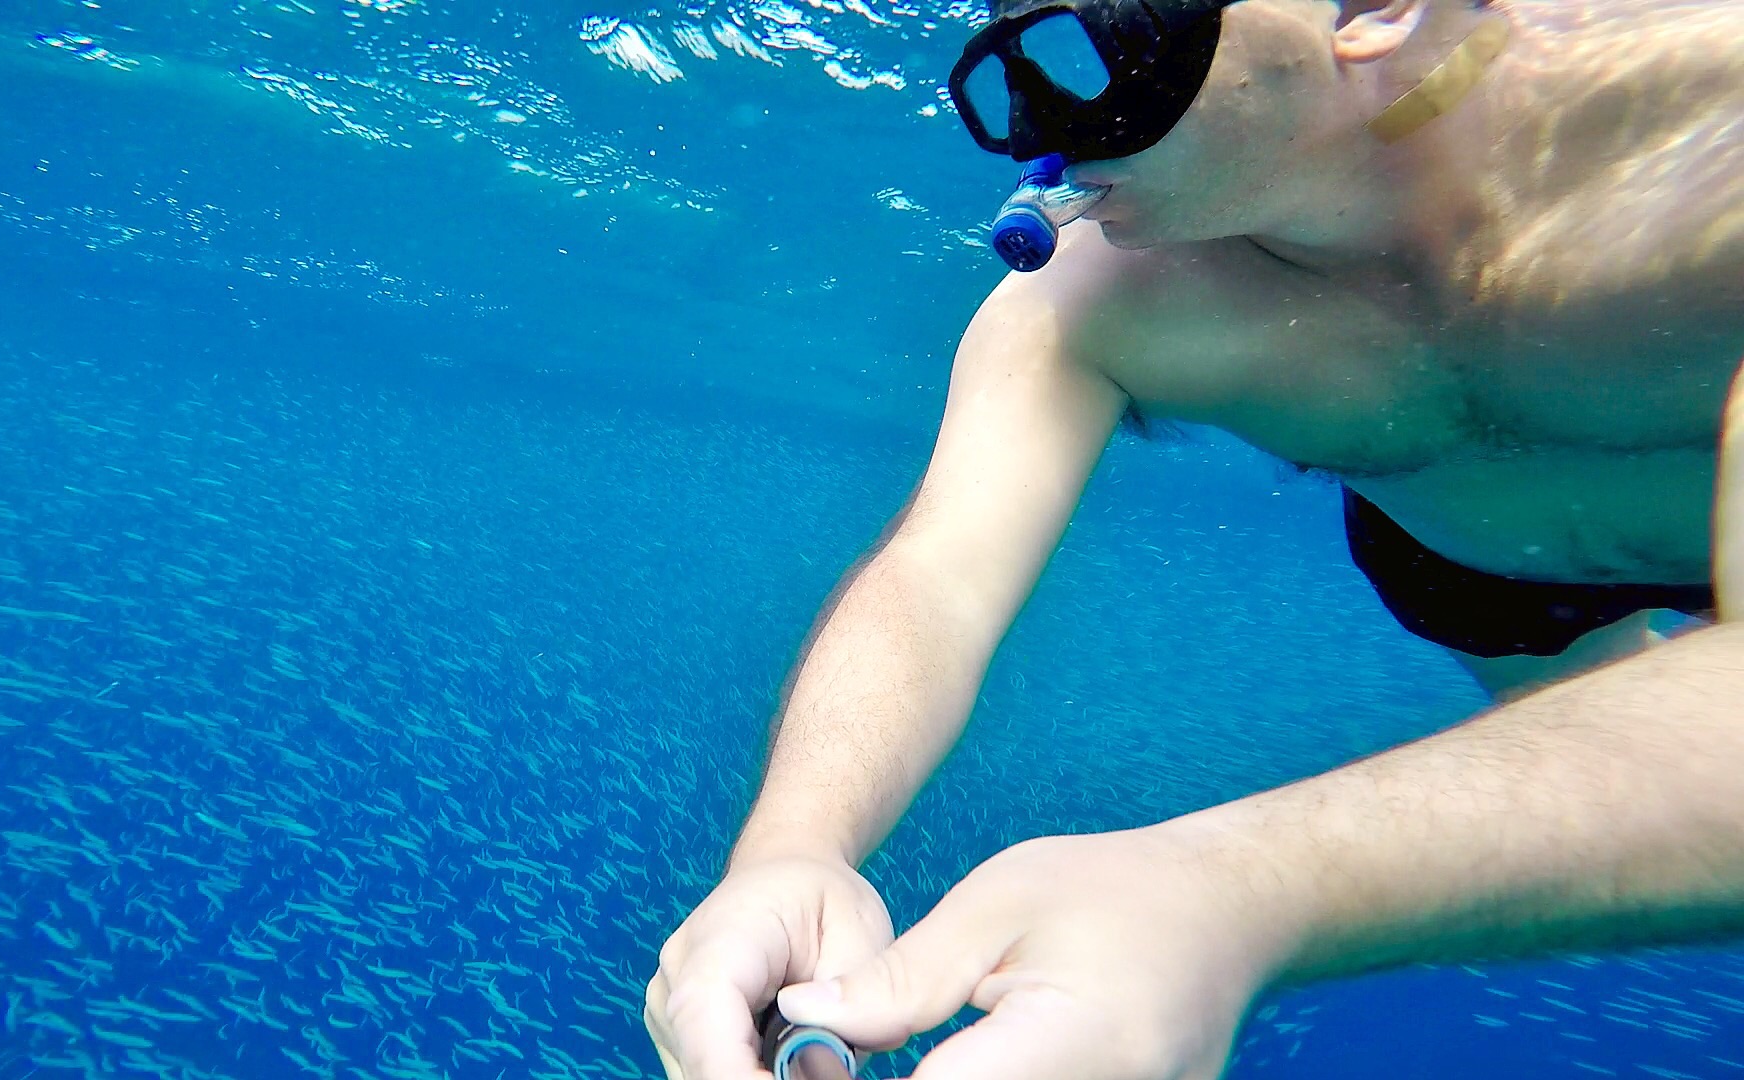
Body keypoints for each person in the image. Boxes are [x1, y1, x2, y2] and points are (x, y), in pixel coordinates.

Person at [644, 1, 1744, 1076]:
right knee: (1607, 788)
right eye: (1006, 67)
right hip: (1471, 571)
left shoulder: (1712, 141)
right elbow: (936, 578)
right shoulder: (1096, 298)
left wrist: (1230, 891)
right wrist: (790, 851)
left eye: (1097, 38)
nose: (1039, 126)